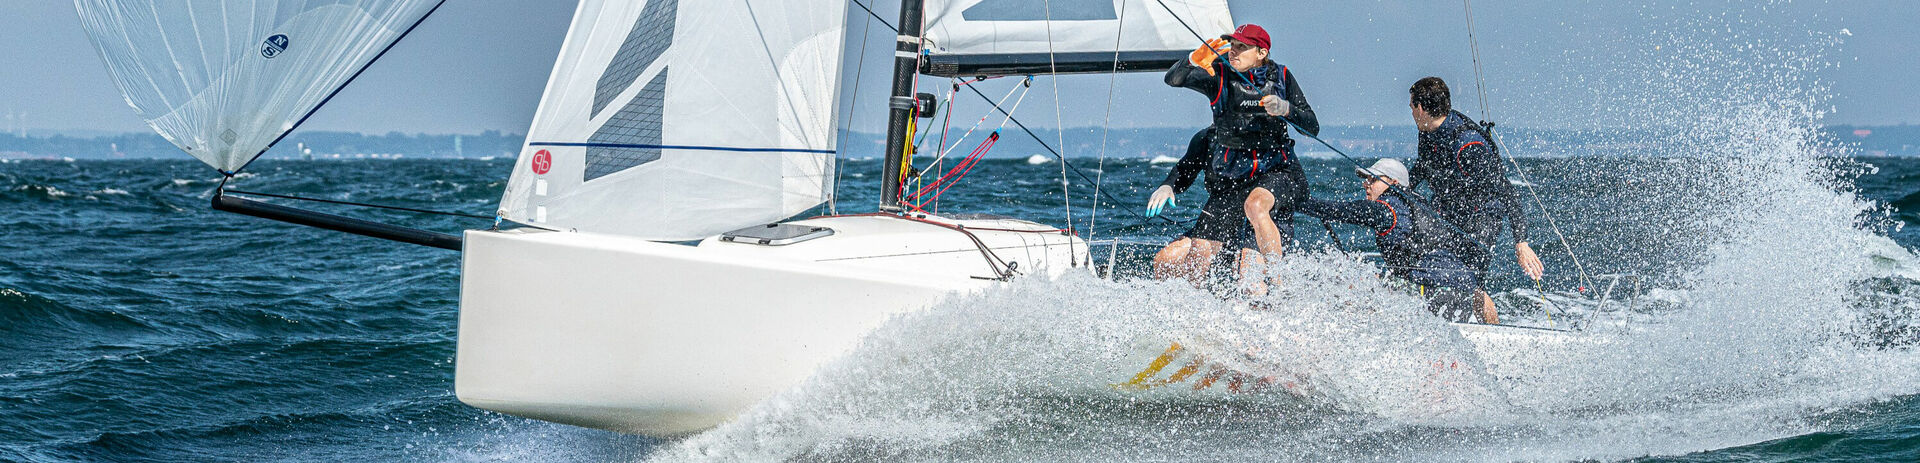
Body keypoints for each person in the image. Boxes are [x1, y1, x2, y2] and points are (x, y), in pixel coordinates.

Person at [1153, 24, 1319, 295]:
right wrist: (1193, 61)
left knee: (1255, 207)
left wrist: (1286, 108)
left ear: (1262, 52)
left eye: (1242, 46)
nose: (1234, 51)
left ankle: (1279, 289)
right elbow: (1173, 79)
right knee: (1198, 260)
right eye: (1233, 45)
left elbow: (1312, 127)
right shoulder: (1219, 76)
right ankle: (1197, 317)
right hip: (1234, 180)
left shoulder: (1283, 77)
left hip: (1277, 173)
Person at [1406, 76, 1544, 315]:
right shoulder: (1427, 130)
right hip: (1449, 211)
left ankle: (1491, 334)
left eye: (1411, 106)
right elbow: (1424, 166)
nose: (1410, 111)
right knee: (1433, 271)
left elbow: (1506, 191)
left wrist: (1521, 241)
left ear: (1420, 108)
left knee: (1471, 286)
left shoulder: (1468, 145)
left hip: (1481, 219)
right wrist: (1401, 187)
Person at [1299, 159, 1492, 322]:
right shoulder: (1414, 202)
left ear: (1393, 182)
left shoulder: (1389, 209)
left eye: (1373, 179)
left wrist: (1300, 203)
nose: (1366, 184)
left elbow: (1344, 211)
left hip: (1440, 289)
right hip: (1458, 285)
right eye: (1366, 179)